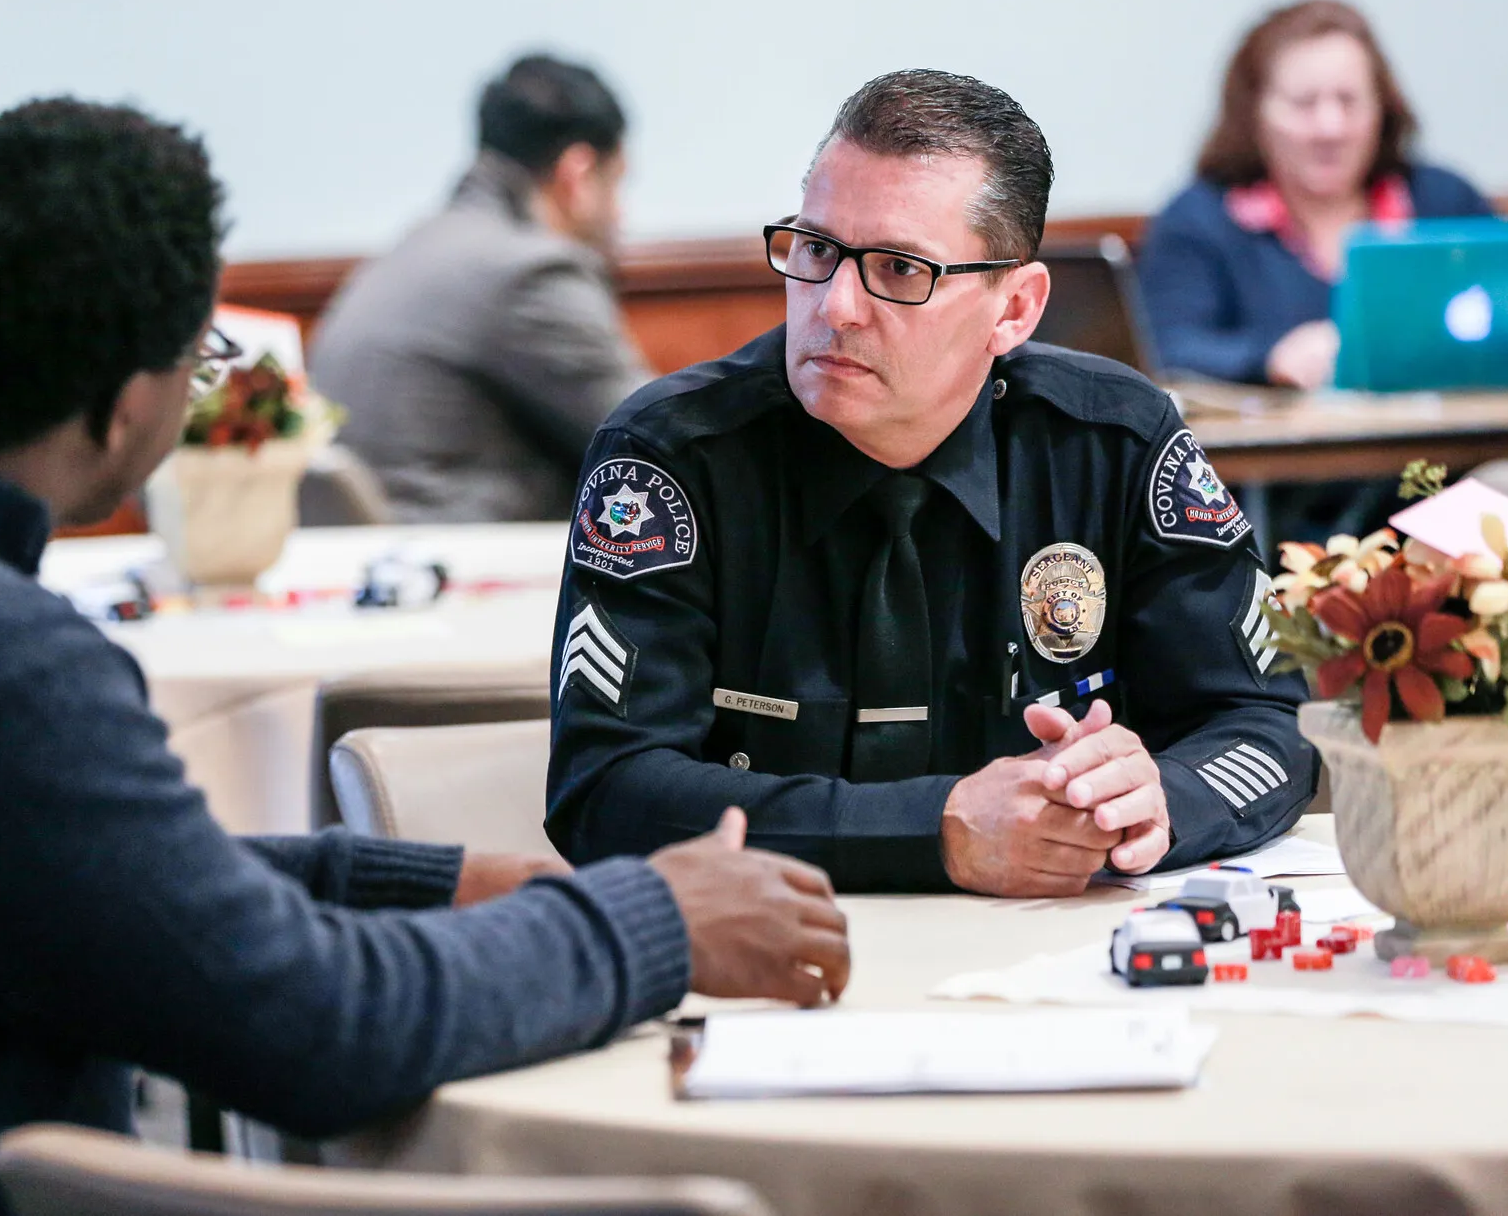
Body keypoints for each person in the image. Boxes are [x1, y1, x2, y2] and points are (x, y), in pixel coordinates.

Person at [0, 99, 850, 1216]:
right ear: (133, 398)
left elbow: (78, 888)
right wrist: (652, 921)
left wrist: (409, 875)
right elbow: (321, 1032)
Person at [545, 70, 1315, 898]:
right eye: (815, 249)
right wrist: (938, 828)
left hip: (1055, 962)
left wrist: (1149, 804)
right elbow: (605, 790)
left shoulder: (1111, 444)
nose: (836, 305)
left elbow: (1268, 723)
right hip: (772, 958)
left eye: (900, 271)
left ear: (1013, 310)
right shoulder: (671, 460)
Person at [309, 54, 649, 522]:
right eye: (617, 185)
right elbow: (654, 444)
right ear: (579, 174)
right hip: (463, 569)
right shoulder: (531, 273)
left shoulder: (407, 251)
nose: (620, 216)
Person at [1140, 0, 1493, 389]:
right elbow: (1166, 348)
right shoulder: (1199, 218)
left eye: (1348, 100)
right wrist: (1271, 358)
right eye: (1304, 103)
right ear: (1254, 113)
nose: (1330, 127)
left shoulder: (1445, 202)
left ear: (1382, 108)